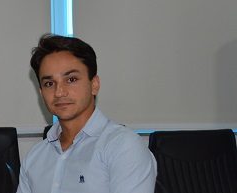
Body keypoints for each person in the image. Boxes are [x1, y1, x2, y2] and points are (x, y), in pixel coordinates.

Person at [17, 34, 157, 193]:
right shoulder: (35, 157)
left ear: (94, 85)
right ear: (41, 93)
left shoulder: (123, 147)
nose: (59, 92)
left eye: (71, 79)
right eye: (49, 83)